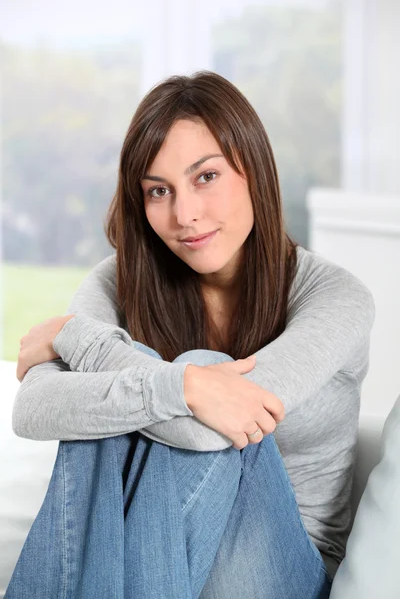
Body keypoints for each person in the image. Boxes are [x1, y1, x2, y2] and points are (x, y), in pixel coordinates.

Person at [6, 71, 375, 599]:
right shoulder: (119, 281)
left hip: (282, 569)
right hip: (152, 557)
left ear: (254, 169)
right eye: (160, 191)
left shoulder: (335, 297)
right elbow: (34, 408)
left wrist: (82, 342)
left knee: (179, 372)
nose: (186, 215)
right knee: (110, 422)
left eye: (205, 177)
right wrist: (182, 387)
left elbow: (214, 428)